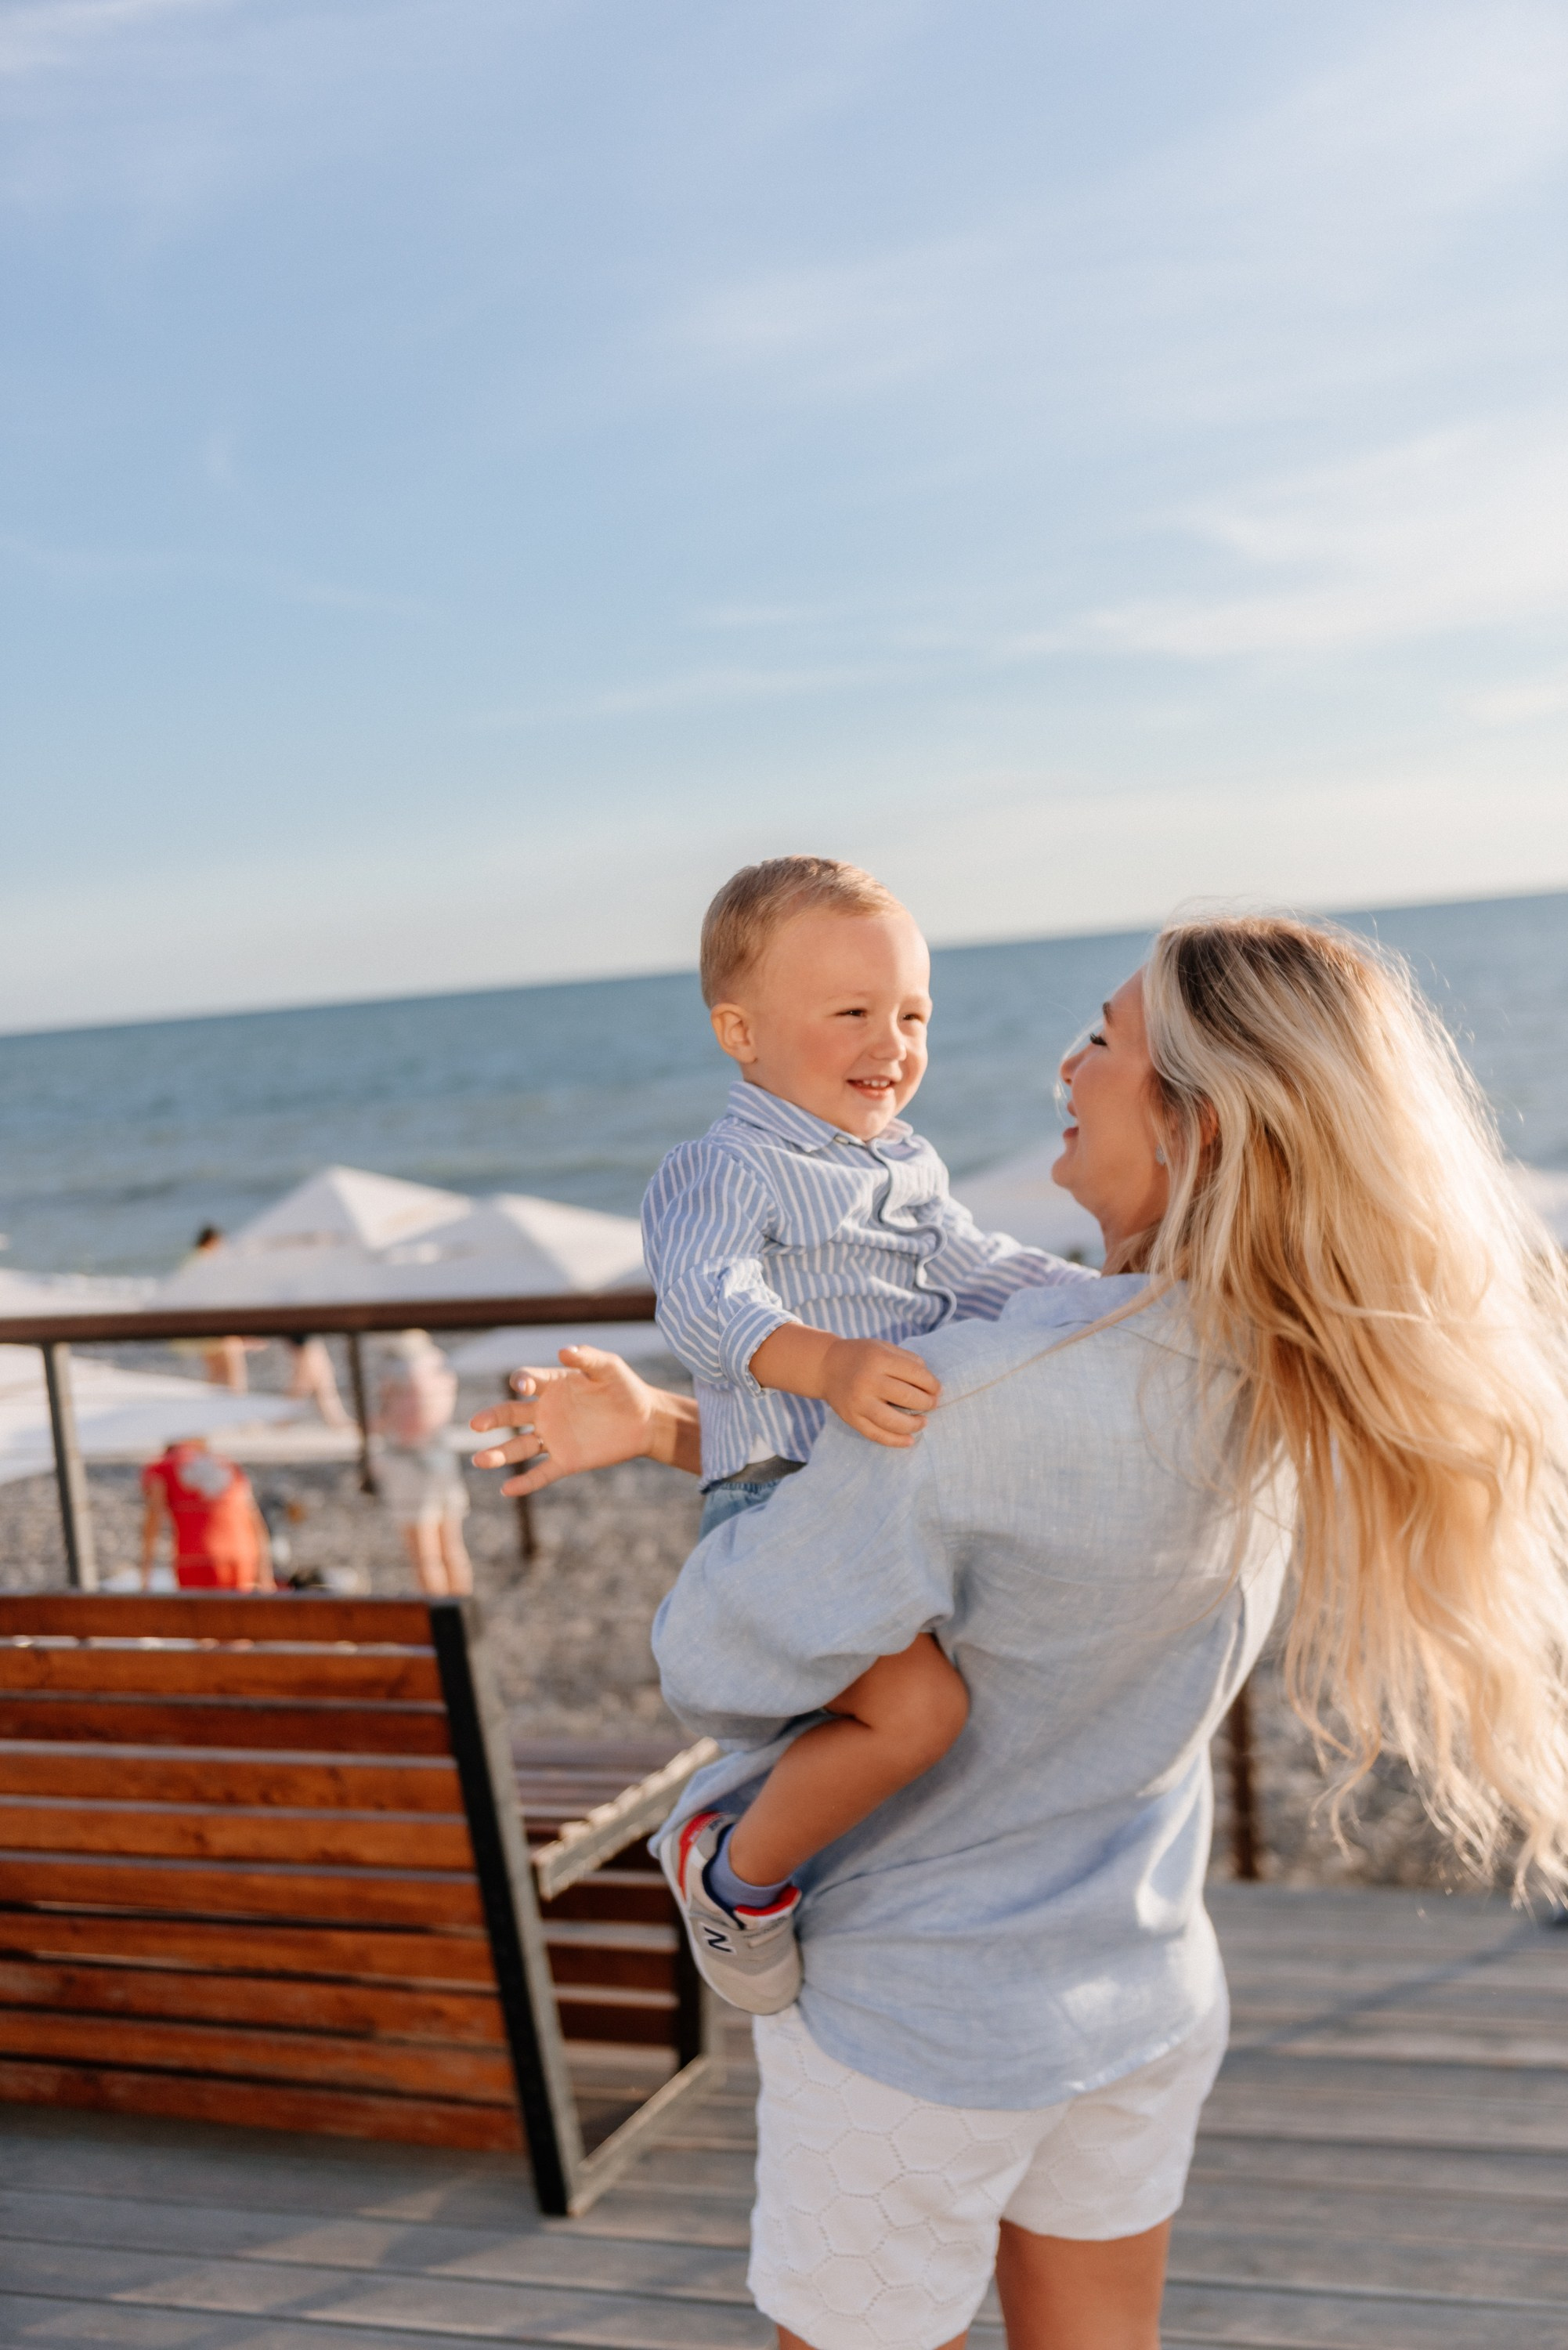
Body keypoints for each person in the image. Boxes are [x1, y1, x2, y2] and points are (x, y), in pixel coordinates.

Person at [472, 913, 1568, 2350]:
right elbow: (954, 1489)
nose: (1066, 1061)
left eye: (1104, 1041)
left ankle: (719, 1873)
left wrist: (715, 1458)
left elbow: (722, 1653)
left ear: (1197, 1124)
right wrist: (673, 1425)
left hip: (919, 2023)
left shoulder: (975, 1391)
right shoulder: (1296, 1375)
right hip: (1139, 1987)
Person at [636, 856, 1092, 2011]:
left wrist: (1110, 1303)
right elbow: (700, 1298)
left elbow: (979, 1271)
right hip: (784, 1498)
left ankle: (901, 1851)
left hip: (884, 1491)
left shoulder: (903, 1166)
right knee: (920, 1709)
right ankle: (733, 1872)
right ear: (740, 1030)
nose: (888, 1041)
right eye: (849, 1012)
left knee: (1004, 1656)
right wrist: (824, 1361)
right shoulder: (720, 1168)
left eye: (911, 1014)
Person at [377, 1329, 473, 1595]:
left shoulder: (395, 1367)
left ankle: (442, 1626)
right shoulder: (436, 1358)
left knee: (423, 1552)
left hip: (408, 1460)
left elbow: (386, 1419)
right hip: (440, 1454)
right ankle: (462, 1616)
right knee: (452, 1546)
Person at [140, 1437, 273, 1590]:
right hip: (243, 1556)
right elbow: (254, 1519)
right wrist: (265, 1574)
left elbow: (153, 1519)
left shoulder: (162, 1466)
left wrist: (146, 1574)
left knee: (198, 1613)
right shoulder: (227, 1464)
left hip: (196, 1558)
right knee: (235, 1613)